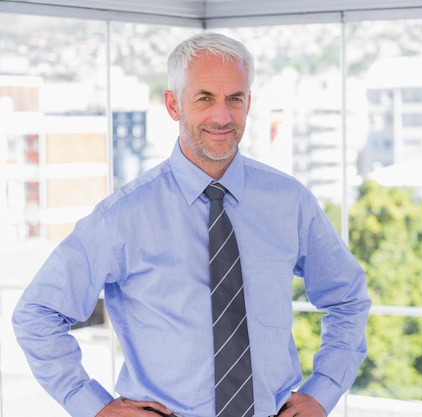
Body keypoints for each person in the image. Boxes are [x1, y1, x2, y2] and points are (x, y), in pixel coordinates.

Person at [12, 32, 370, 417]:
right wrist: (95, 406)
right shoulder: (122, 217)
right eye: (205, 98)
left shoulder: (290, 201)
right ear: (173, 104)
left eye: (235, 98)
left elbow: (347, 297)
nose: (222, 116)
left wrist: (324, 390)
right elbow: (37, 315)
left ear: (248, 102)